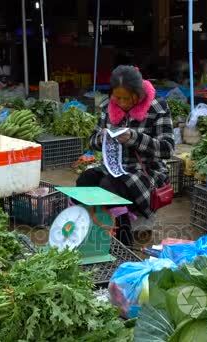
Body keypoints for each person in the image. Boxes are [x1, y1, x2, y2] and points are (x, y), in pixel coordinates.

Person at [76, 65, 175, 246]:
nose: (121, 102)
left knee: (108, 186)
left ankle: (124, 242)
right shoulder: (108, 107)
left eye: (126, 98)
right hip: (114, 168)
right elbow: (91, 141)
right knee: (85, 179)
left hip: (146, 171)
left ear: (138, 94)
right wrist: (102, 137)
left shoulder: (157, 107)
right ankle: (90, 232)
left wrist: (134, 138)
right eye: (117, 97)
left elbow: (167, 148)